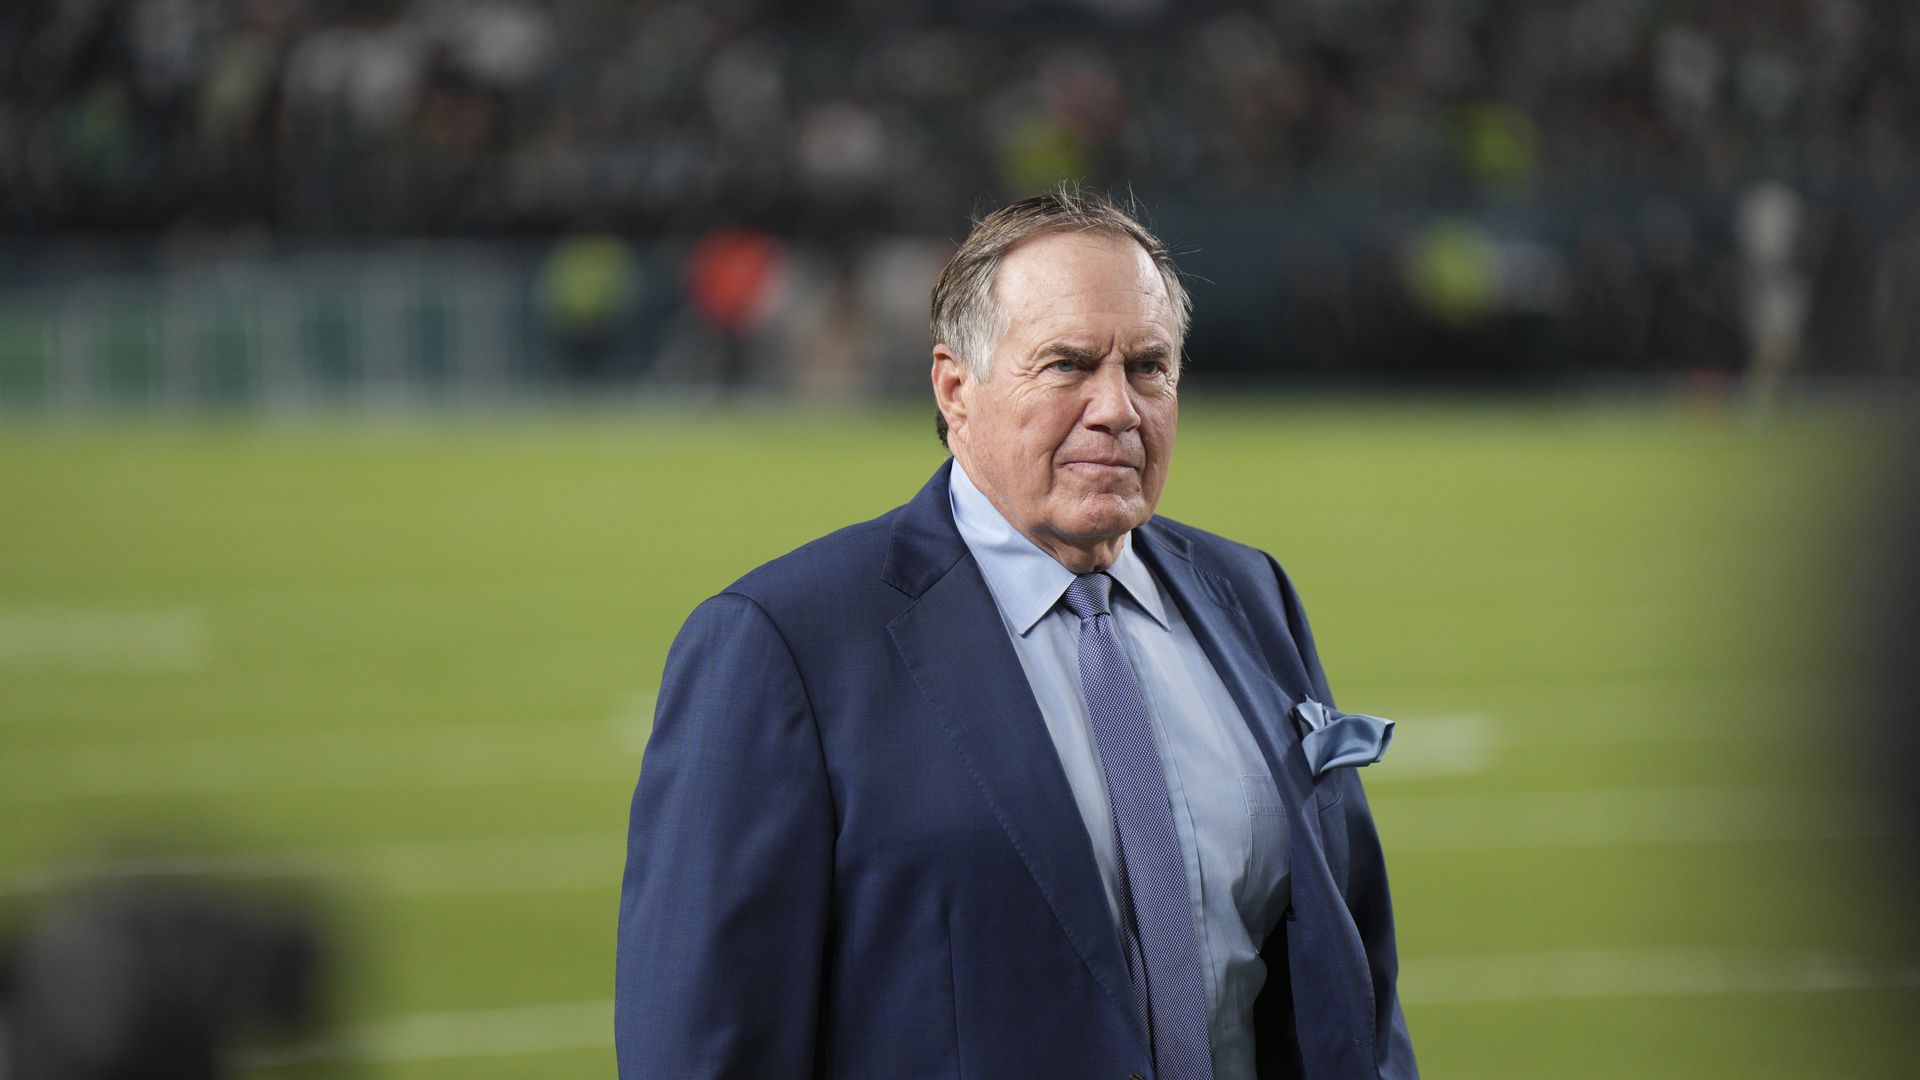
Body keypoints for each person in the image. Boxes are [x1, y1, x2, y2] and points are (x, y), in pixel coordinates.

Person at [617, 186, 1418, 1080]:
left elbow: (1352, 981)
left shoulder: (1250, 594)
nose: (1117, 408)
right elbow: (705, 1042)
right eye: (1067, 364)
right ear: (955, 389)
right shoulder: (783, 643)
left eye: (1148, 366)